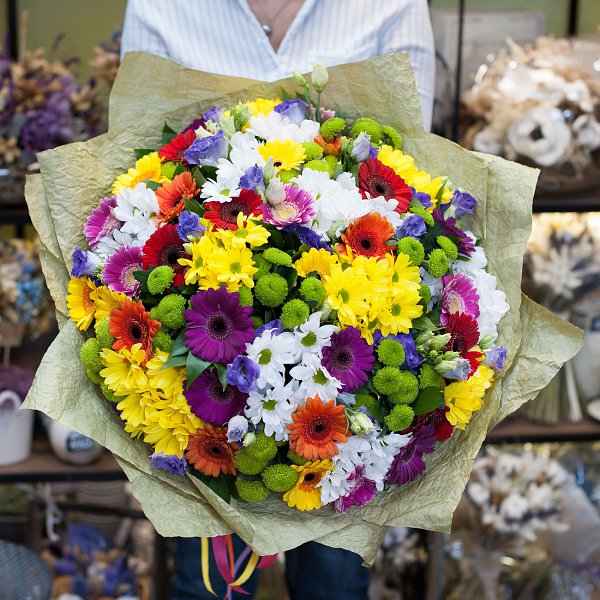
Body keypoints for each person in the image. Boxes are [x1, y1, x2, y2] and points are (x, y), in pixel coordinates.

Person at [121, 2, 435, 598]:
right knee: (206, 585)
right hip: (197, 386)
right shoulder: (161, 6)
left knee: (334, 585)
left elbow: (414, 171)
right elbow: (137, 168)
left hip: (352, 378)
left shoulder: (391, 6)